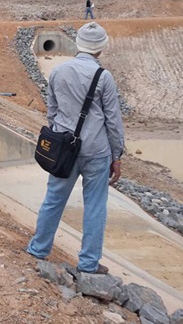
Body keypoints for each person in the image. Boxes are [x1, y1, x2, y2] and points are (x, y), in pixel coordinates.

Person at [26, 22, 125, 274]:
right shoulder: (104, 77)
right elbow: (113, 120)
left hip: (64, 150)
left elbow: (52, 111)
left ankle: (38, 249)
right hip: (97, 151)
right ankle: (89, 263)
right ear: (100, 48)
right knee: (95, 206)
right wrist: (117, 156)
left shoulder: (58, 72)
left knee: (53, 200)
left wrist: (59, 135)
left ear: (78, 44)